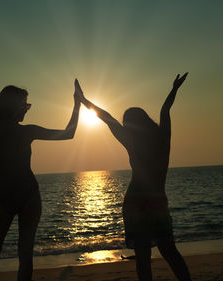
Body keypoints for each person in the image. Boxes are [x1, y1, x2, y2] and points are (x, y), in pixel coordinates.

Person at [76, 73, 191, 281]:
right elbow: (165, 110)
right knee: (169, 250)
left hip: (136, 201)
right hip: (156, 201)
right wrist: (174, 88)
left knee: (143, 257)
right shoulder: (162, 137)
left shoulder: (132, 141)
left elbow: (107, 118)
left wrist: (84, 101)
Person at [0, 81, 81, 281]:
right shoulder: (25, 132)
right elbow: (69, 133)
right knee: (24, 254)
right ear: (14, 107)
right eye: (25, 105)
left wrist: (2, 180)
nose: (27, 109)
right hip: (26, 195)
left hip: (13, 196)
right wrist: (77, 104)